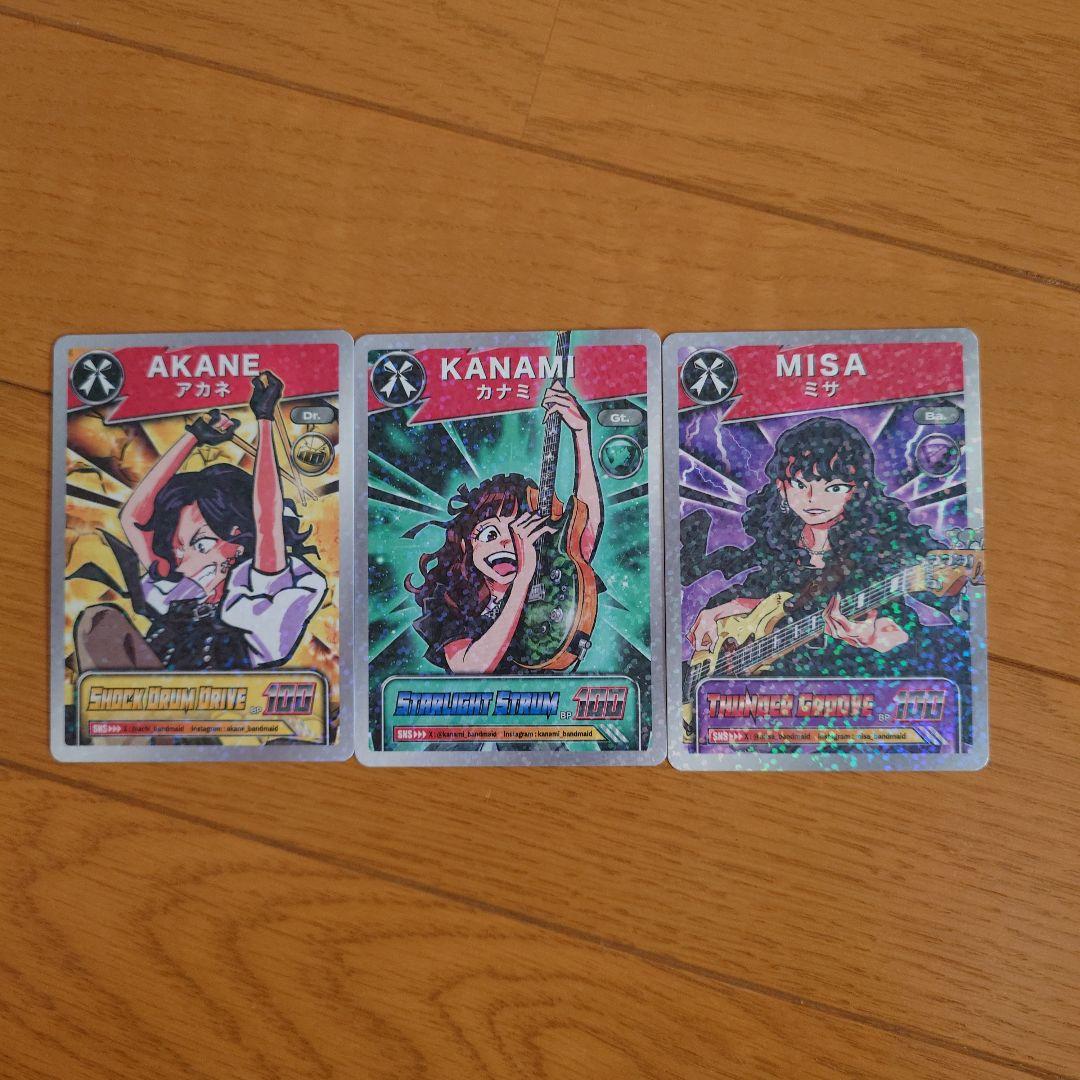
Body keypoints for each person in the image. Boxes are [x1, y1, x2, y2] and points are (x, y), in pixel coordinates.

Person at [74, 371, 326, 672]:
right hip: (155, 694)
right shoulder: (180, 591)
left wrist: (264, 419)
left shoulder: (257, 600)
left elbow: (266, 521)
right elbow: (133, 519)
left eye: (201, 544)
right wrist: (193, 437)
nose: (183, 560)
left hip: (226, 696)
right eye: (178, 548)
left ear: (237, 540)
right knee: (99, 622)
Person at [686, 416, 950, 677]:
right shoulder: (780, 544)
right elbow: (772, 599)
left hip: (844, 688)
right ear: (781, 487)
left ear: (858, 489)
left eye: (833, 488)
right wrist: (725, 609)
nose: (812, 499)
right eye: (800, 485)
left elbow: (930, 632)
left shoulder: (881, 547)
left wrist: (884, 639)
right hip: (768, 692)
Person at [406, 383, 602, 675]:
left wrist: (581, 434)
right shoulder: (450, 598)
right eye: (490, 534)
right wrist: (522, 579)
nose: (506, 543)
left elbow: (584, 524)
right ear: (467, 544)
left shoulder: (549, 579)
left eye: (516, 532)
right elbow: (469, 667)